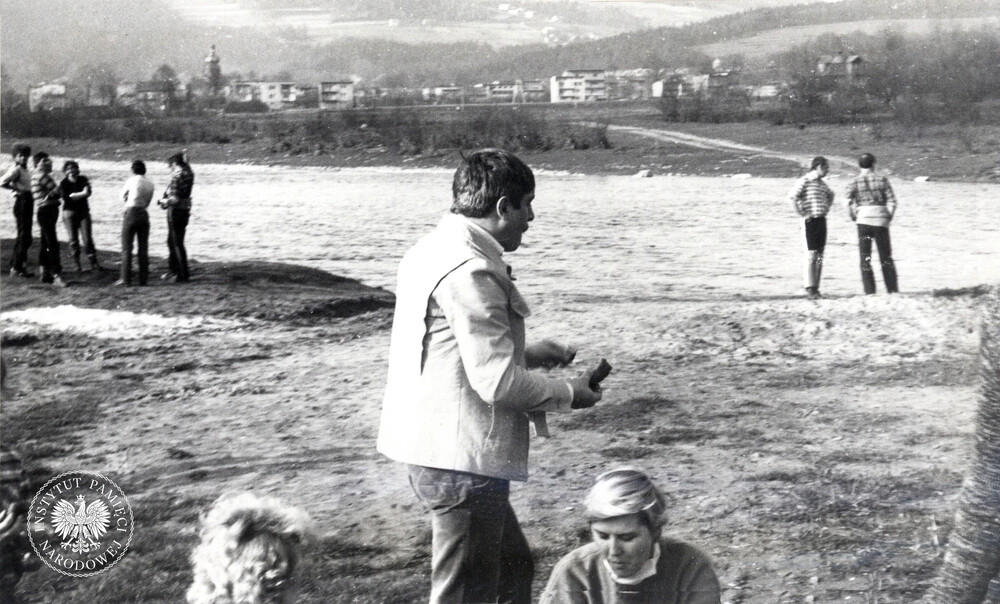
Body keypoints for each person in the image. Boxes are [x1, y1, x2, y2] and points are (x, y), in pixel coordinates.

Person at [377, 148, 604, 604]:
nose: (532, 217)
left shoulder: (431, 250)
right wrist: (568, 393)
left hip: (431, 447)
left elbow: (446, 348)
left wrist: (531, 352)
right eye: (527, 204)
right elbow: (497, 383)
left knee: (512, 567)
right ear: (503, 208)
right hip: (461, 461)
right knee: (467, 594)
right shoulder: (472, 268)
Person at [540, 468, 721, 604]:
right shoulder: (574, 571)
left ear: (656, 532)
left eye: (626, 538)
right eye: (602, 536)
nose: (614, 551)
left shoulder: (691, 565)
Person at [846, 152, 898, 294]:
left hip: (863, 221)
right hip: (881, 220)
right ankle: (892, 289)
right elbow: (893, 201)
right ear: (873, 164)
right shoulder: (883, 180)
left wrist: (853, 216)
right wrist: (888, 217)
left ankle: (870, 291)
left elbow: (846, 202)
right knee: (885, 257)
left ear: (859, 165)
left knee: (865, 258)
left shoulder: (854, 181)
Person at [788, 156, 834, 299]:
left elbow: (831, 195)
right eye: (826, 167)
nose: (827, 170)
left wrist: (826, 207)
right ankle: (809, 287)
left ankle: (816, 287)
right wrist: (801, 214)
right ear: (818, 167)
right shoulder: (805, 181)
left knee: (819, 255)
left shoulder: (822, 184)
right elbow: (791, 197)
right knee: (811, 254)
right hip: (809, 221)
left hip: (821, 220)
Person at [116, 160, 155, 287]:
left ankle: (125, 278)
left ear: (133, 170)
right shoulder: (150, 183)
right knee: (143, 248)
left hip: (131, 212)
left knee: (127, 248)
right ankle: (143, 279)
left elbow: (122, 196)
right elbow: (148, 202)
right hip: (143, 213)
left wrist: (128, 199)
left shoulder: (131, 180)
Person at [58, 160, 101, 272]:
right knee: (73, 239)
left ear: (77, 169)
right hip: (69, 213)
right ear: (65, 171)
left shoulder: (83, 179)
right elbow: (67, 198)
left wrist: (76, 195)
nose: (71, 170)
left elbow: (89, 192)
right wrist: (82, 194)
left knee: (87, 238)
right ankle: (77, 265)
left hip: (83, 212)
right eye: (68, 169)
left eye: (73, 168)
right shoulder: (63, 183)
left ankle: (94, 263)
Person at [30, 152, 66, 287]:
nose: (49, 163)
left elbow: (53, 193)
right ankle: (57, 275)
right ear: (38, 163)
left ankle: (44, 273)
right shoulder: (42, 176)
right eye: (45, 161)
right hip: (47, 211)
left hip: (43, 211)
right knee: (52, 243)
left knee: (45, 242)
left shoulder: (35, 175)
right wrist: (56, 191)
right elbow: (59, 192)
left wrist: (52, 194)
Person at [158, 152, 193, 282]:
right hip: (185, 210)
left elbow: (174, 199)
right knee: (176, 241)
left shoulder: (177, 177)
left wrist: (163, 202)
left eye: (170, 166)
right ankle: (175, 271)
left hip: (175, 211)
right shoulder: (189, 173)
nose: (170, 169)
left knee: (175, 242)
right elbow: (188, 168)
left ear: (174, 164)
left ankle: (181, 273)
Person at [1, 144, 34, 278]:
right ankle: (16, 268)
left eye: (26, 155)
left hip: (28, 201)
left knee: (26, 236)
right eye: (20, 155)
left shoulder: (25, 170)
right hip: (22, 202)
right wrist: (16, 190)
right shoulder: (16, 170)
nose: (24, 158)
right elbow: (2, 182)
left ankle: (18, 265)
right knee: (24, 236)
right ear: (15, 157)